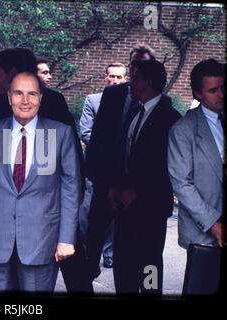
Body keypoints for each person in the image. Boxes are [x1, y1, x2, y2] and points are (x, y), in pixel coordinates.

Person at [0, 72, 81, 292]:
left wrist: (66, 239)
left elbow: (71, 189)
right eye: (18, 93)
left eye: (32, 94)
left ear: (41, 98)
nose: (25, 100)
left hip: (42, 242)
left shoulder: (61, 134)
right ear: (9, 97)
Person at [82, 44, 165, 291]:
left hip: (144, 199)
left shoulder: (163, 110)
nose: (136, 70)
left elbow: (160, 163)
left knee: (146, 258)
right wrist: (101, 180)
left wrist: (137, 189)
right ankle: (89, 276)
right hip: (108, 183)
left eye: (143, 66)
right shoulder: (113, 96)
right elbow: (99, 140)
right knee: (95, 237)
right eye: (134, 65)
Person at [107, 59, 181, 295]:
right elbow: (122, 155)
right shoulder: (133, 112)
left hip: (151, 208)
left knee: (149, 264)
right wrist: (114, 187)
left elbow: (169, 167)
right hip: (124, 207)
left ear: (148, 82)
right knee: (123, 264)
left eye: (136, 77)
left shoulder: (170, 118)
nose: (131, 82)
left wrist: (139, 190)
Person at [168, 58, 225, 295]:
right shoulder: (182, 130)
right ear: (197, 93)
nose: (221, 95)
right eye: (213, 90)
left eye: (224, 87)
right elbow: (182, 184)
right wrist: (214, 224)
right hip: (205, 229)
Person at [79, 62, 128, 269]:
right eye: (112, 76)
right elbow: (85, 132)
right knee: (86, 211)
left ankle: (109, 252)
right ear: (105, 77)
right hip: (95, 167)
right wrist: (107, 151)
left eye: (119, 77)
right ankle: (86, 250)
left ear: (125, 80)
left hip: (119, 169)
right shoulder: (93, 100)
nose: (115, 81)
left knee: (113, 214)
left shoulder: (130, 103)